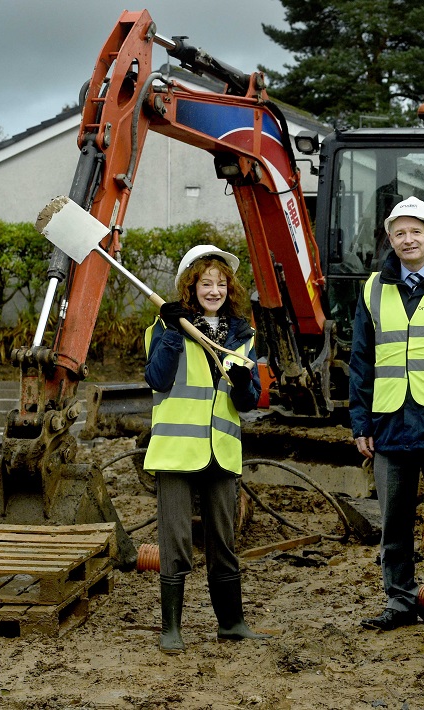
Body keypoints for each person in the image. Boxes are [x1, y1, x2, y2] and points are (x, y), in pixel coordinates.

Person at [349, 196, 424, 631]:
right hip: (391, 426)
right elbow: (361, 360)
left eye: (416, 231)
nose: (407, 239)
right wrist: (360, 421)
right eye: (399, 232)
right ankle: (399, 601)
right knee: (394, 525)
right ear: (390, 238)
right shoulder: (372, 288)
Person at [143, 244, 271, 653]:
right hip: (176, 451)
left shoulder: (242, 334)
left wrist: (241, 378)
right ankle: (171, 629)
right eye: (205, 282)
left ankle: (231, 624)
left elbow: (249, 401)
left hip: (221, 450)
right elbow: (158, 380)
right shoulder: (164, 328)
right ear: (190, 286)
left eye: (220, 283)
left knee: (224, 539)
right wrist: (172, 336)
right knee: (175, 540)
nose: (213, 290)